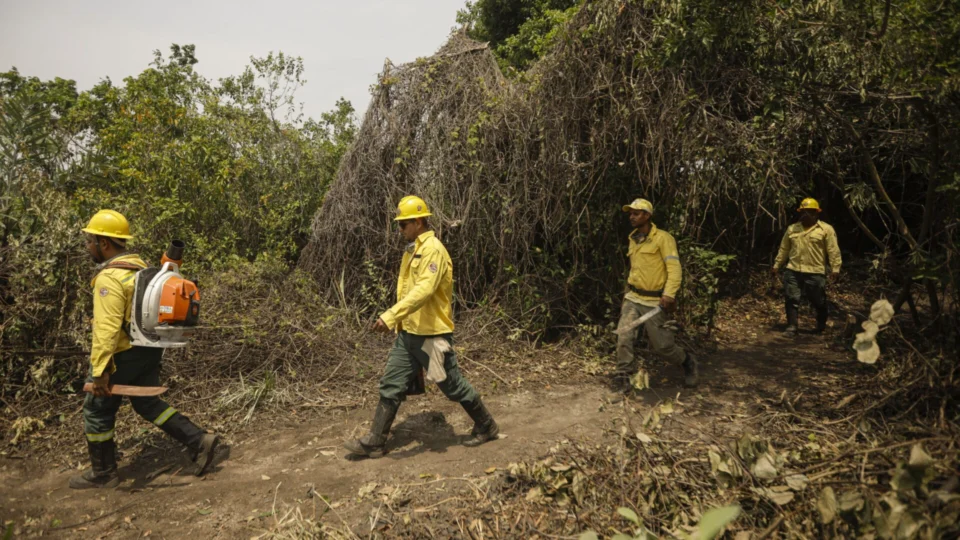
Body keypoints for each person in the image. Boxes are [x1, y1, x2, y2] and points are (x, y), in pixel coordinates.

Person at [70, 210, 219, 489]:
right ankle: (199, 440)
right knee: (148, 403)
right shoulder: (143, 270)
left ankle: (103, 473)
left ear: (104, 243)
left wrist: (101, 370)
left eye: (90, 240)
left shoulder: (110, 278)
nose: (87, 246)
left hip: (121, 355)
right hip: (148, 349)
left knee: (97, 409)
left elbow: (107, 328)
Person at [344, 196, 498, 458]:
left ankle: (486, 424)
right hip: (408, 335)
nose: (400, 229)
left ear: (418, 221)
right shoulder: (412, 249)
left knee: (452, 386)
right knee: (391, 383)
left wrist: (391, 316)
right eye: (399, 224)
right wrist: (400, 323)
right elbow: (406, 291)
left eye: (403, 224)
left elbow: (424, 291)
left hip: (433, 336)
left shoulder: (433, 250)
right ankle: (376, 441)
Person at [612, 198, 699, 399]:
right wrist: (627, 293)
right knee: (624, 337)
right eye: (630, 213)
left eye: (636, 213)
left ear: (647, 216)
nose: (631, 217)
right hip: (633, 297)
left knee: (663, 347)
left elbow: (674, 268)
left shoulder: (663, 238)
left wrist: (669, 294)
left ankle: (688, 362)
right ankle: (623, 377)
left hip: (654, 302)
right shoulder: (633, 238)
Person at [771, 198, 842, 335]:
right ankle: (792, 326)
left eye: (808, 212)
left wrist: (835, 268)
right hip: (793, 269)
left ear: (816, 213)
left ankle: (821, 325)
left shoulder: (826, 229)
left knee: (818, 300)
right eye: (802, 212)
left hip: (815, 271)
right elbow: (784, 249)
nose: (805, 215)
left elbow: (833, 250)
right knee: (792, 298)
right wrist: (777, 265)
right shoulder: (792, 229)